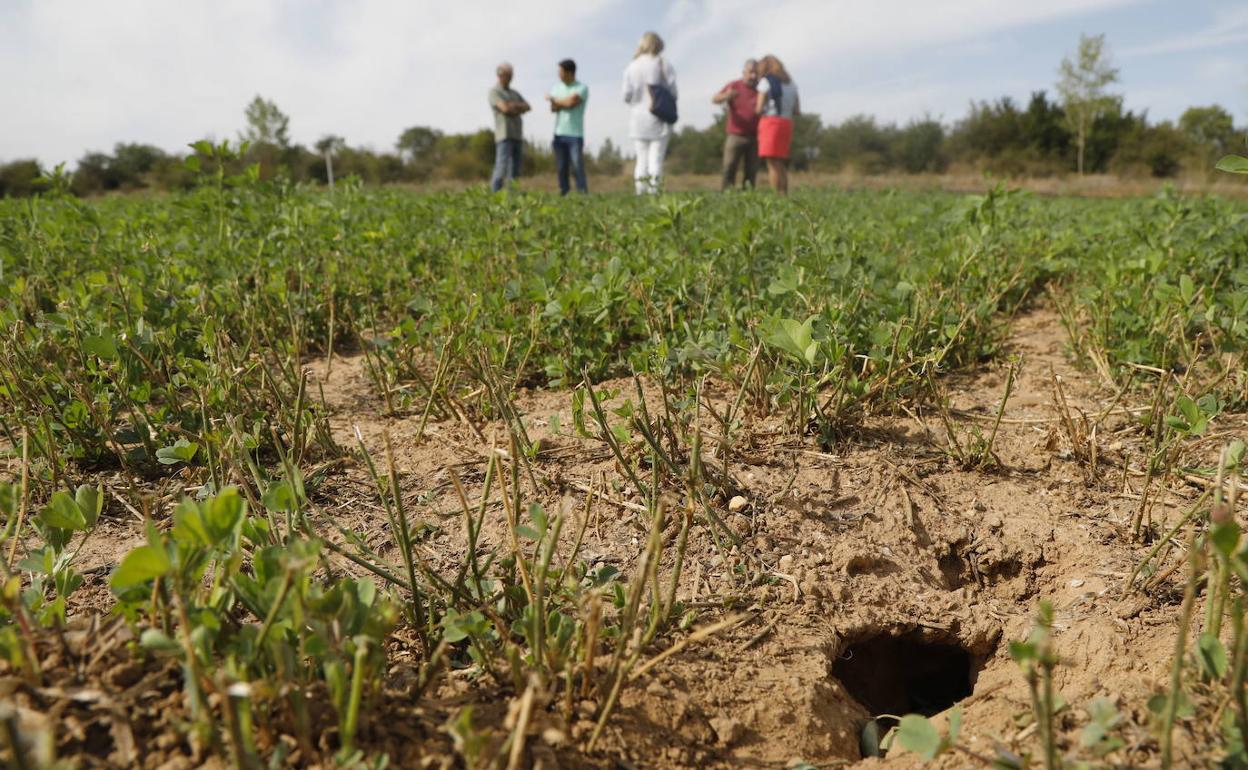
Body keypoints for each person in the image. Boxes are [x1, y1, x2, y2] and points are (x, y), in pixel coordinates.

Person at [622, 31, 676, 195]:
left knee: (641, 159)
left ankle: (640, 193)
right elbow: (673, 92)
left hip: (638, 118)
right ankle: (655, 194)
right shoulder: (663, 64)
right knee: (656, 159)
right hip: (659, 118)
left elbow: (626, 95)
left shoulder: (632, 66)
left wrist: (637, 100)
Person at [755, 55, 800, 195]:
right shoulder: (792, 84)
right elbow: (797, 110)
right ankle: (784, 193)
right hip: (786, 123)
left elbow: (758, 108)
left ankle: (776, 196)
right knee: (780, 162)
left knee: (772, 164)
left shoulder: (765, 82)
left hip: (771, 122)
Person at [712, 59, 759, 191]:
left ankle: (748, 197)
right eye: (750, 72)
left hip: (755, 136)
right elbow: (715, 98)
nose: (753, 76)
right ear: (744, 72)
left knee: (751, 170)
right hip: (735, 135)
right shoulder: (734, 85)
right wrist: (727, 95)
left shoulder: (761, 89)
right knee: (729, 167)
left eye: (756, 73)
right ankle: (726, 195)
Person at [546, 59, 590, 195]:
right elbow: (553, 108)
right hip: (559, 133)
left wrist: (555, 100)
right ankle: (563, 192)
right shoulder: (556, 87)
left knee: (577, 166)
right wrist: (560, 102)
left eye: (561, 72)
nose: (558, 74)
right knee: (561, 167)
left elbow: (571, 103)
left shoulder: (581, 88)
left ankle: (582, 193)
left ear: (569, 72)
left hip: (575, 134)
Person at [488, 63, 530, 192]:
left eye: (511, 75)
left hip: (517, 135)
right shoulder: (494, 91)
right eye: (507, 75)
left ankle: (513, 197)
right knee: (501, 167)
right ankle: (495, 195)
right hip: (504, 135)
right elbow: (505, 109)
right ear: (500, 75)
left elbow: (527, 106)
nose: (509, 78)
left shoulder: (514, 93)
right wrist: (517, 108)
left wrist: (512, 106)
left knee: (515, 169)